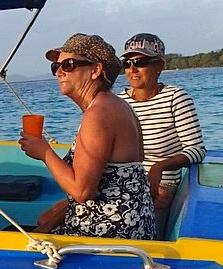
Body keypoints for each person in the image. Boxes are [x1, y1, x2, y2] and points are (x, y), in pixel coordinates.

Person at [19, 34, 154, 239]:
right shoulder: (118, 106)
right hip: (135, 224)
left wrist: (44, 152)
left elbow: (82, 191)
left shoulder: (98, 114)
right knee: (41, 222)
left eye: (69, 64)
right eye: (56, 66)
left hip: (108, 235)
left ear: (96, 70)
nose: (60, 72)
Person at [117, 33, 206, 235]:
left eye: (141, 62)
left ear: (159, 66)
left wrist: (159, 167)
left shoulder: (176, 98)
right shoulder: (119, 103)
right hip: (127, 179)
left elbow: (197, 149)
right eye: (127, 63)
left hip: (164, 181)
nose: (132, 69)